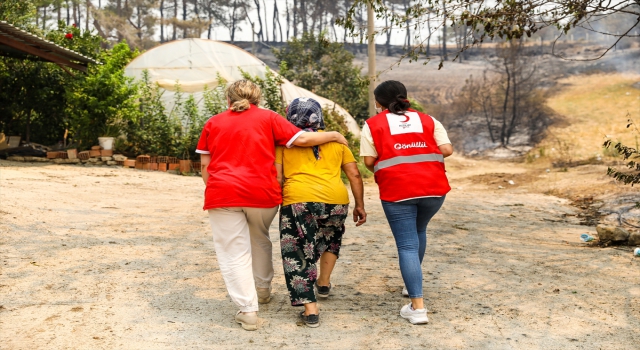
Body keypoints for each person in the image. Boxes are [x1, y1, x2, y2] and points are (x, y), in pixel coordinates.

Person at [196, 80, 349, 331]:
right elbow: (301, 140)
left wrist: (216, 189)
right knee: (259, 238)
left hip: (223, 193)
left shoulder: (213, 122)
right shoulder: (270, 118)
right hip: (262, 194)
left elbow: (205, 166)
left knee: (233, 250)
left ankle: (248, 310)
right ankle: (264, 289)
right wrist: (333, 135)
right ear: (258, 99)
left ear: (228, 100)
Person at [360, 80, 453, 325]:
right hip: (434, 189)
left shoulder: (372, 124)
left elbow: (369, 162)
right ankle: (411, 285)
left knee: (407, 246)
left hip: (398, 191)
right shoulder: (428, 119)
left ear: (378, 102)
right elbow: (447, 149)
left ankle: (418, 308)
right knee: (419, 231)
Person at [275, 97, 367, 328]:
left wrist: (278, 200)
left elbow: (277, 177)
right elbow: (354, 175)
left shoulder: (283, 143)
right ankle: (323, 283)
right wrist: (359, 204)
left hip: (299, 200)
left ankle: (311, 310)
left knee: (297, 252)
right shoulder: (338, 143)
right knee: (330, 239)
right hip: (336, 201)